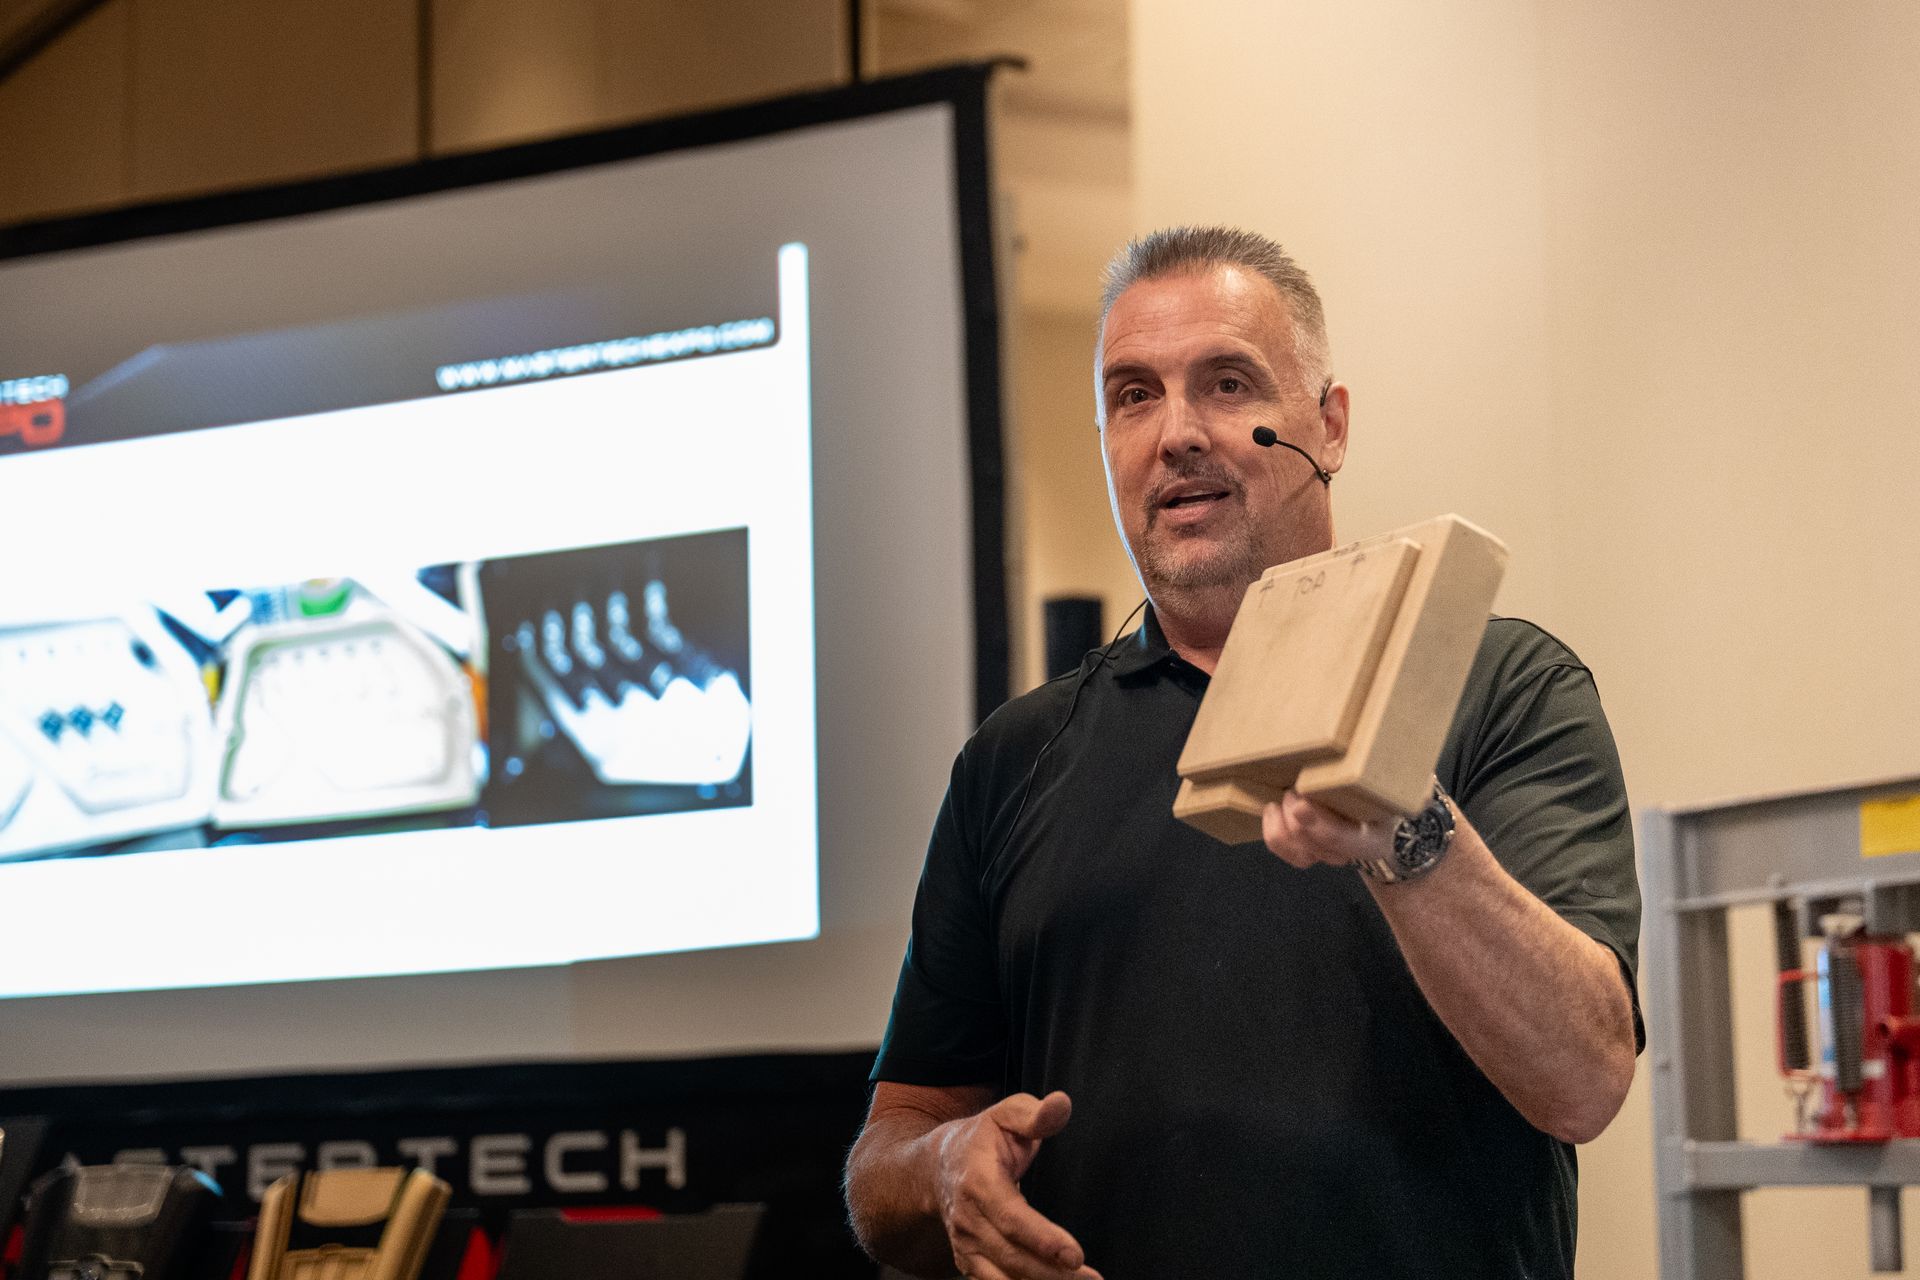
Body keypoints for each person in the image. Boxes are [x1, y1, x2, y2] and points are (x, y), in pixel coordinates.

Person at [842, 226, 1643, 1280]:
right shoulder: (1013, 758)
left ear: (1332, 423)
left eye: (1225, 383)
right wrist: (947, 1167)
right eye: (1133, 395)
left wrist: (1407, 828)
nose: (1175, 432)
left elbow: (1584, 1080)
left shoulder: (1501, 683)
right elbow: (886, 1152)